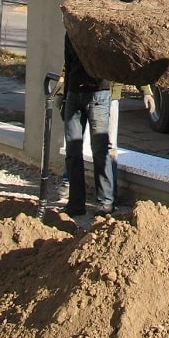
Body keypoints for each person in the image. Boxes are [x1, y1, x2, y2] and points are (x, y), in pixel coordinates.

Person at [62, 31, 115, 217]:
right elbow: (68, 63)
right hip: (74, 93)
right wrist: (65, 97)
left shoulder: (102, 29)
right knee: (72, 151)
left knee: (99, 150)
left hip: (98, 93)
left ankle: (105, 202)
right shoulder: (71, 29)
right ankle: (76, 204)